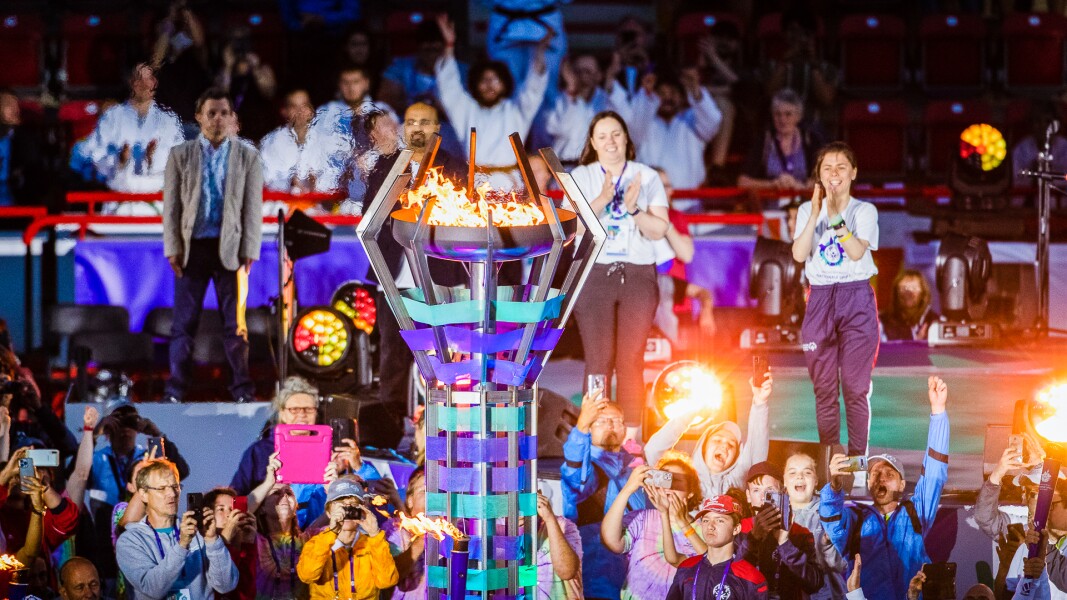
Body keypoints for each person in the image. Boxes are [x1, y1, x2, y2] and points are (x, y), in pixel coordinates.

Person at [360, 101, 468, 448]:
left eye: (425, 121)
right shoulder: (387, 167)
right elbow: (368, 218)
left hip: (441, 277)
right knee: (393, 355)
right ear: (404, 128)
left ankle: (445, 430)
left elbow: (465, 219)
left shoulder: (454, 168)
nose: (417, 128)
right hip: (394, 275)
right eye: (411, 122)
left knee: (444, 355)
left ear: (437, 128)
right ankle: (391, 435)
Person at [570, 111, 670, 440]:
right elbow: (574, 227)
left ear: (627, 138)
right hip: (595, 274)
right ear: (592, 143)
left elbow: (659, 230)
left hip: (638, 274)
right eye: (603, 136)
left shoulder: (647, 176)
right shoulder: (581, 175)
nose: (611, 141)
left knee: (630, 361)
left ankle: (630, 440)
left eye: (616, 134)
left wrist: (633, 209)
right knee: (598, 360)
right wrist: (601, 198)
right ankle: (594, 434)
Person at [162, 88, 263, 404]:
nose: (217, 119)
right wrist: (171, 247)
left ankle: (242, 389)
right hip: (192, 247)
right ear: (198, 117)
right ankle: (176, 389)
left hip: (230, 248)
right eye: (211, 113)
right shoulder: (180, 155)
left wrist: (250, 249)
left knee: (236, 326)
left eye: (224, 113)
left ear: (233, 117)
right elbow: (171, 206)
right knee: (183, 325)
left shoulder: (248, 156)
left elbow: (253, 207)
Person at [820, 376, 951, 600]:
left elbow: (934, 475)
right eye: (875, 474)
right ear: (869, 483)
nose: (881, 478)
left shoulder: (914, 512)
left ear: (902, 484)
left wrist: (938, 412)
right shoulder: (855, 519)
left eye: (889, 474)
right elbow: (831, 522)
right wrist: (834, 484)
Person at [792, 141, 879, 462]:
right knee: (824, 389)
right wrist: (816, 213)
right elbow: (799, 254)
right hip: (820, 298)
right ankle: (832, 459)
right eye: (827, 168)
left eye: (841, 167)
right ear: (818, 175)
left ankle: (857, 460)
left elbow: (857, 251)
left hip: (855, 297)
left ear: (853, 172)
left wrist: (835, 218)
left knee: (855, 388)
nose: (834, 173)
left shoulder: (864, 211)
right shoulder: (806, 210)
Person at [230, 376, 380, 529]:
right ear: (282, 413)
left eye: (308, 409)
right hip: (270, 536)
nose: (302, 414)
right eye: (294, 409)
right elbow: (236, 500)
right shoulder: (260, 452)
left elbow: (373, 498)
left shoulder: (332, 448)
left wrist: (357, 466)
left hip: (322, 534)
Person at [434, 15, 549, 190]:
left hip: (511, 185)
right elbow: (449, 88)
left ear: (505, 84)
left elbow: (534, 88)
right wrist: (449, 46)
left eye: (495, 80)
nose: (489, 85)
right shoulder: (467, 110)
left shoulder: (516, 111)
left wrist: (540, 51)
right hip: (475, 184)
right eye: (484, 80)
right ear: (475, 85)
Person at [561, 391, 646, 598]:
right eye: (601, 420)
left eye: (616, 420)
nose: (610, 425)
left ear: (625, 427)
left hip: (636, 586)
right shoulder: (590, 470)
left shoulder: (635, 471)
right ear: (589, 428)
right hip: (598, 583)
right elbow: (575, 468)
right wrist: (581, 426)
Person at [115, 459, 239, 600]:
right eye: (162, 488)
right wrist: (182, 545)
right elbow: (152, 588)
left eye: (175, 486)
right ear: (143, 494)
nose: (172, 494)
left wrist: (212, 541)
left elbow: (225, 585)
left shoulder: (198, 532)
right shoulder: (130, 541)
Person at [612, 68, 722, 211]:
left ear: (682, 97)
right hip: (649, 206)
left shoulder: (691, 120)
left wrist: (695, 90)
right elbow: (634, 131)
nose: (667, 99)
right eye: (661, 94)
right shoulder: (645, 123)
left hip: (689, 205)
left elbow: (713, 123)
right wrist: (647, 96)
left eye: (673, 93)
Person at [645, 375, 772, 499]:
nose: (724, 445)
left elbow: (755, 455)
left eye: (731, 445)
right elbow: (653, 450)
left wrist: (760, 402)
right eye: (717, 440)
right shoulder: (680, 479)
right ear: (703, 448)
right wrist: (691, 414)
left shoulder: (736, 483)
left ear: (735, 458)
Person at [601, 453, 704, 599]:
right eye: (665, 479)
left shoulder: (703, 529)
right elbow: (611, 542)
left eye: (676, 481)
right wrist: (628, 489)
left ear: (690, 492)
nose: (668, 487)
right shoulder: (642, 518)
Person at [976, 436, 1067, 596]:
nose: (1037, 502)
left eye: (1044, 494)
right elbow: (985, 519)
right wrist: (997, 475)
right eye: (1032, 493)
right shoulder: (1022, 531)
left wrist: (1043, 548)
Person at [85, 63, 185, 199]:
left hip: (157, 201)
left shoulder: (169, 121)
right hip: (117, 200)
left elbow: (179, 161)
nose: (144, 84)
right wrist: (120, 160)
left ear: (155, 83)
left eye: (148, 79)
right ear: (131, 82)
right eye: (139, 79)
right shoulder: (111, 117)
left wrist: (151, 159)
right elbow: (95, 155)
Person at [296, 477, 398, 599]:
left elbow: (387, 581)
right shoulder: (317, 543)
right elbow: (307, 575)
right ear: (328, 513)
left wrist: (375, 535)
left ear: (363, 511)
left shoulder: (374, 544)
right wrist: (331, 533)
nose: (347, 511)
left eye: (353, 506)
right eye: (342, 506)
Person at [737, 462, 824, 599]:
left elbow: (814, 584)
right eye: (756, 490)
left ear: (783, 493)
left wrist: (785, 544)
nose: (762, 498)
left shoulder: (800, 533)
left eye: (769, 492)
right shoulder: (738, 529)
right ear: (748, 496)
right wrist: (753, 538)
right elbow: (729, 578)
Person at [665, 495, 769, 599]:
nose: (710, 526)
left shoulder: (751, 578)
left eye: (719, 520)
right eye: (706, 520)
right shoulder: (686, 568)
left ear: (736, 529)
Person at [761, 8, 840, 140]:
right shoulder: (772, 66)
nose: (799, 37)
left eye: (805, 33)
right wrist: (785, 61)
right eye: (793, 31)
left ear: (813, 36)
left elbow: (826, 99)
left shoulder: (826, 68)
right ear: (784, 34)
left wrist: (813, 64)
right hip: (779, 127)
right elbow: (770, 93)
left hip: (813, 127)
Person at [782, 451, 848, 599]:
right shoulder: (774, 515)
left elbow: (841, 565)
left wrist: (827, 546)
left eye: (807, 472)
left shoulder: (830, 513)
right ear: (784, 481)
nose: (800, 476)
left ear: (816, 480)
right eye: (792, 473)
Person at [259, 89, 343, 198]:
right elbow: (265, 180)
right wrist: (290, 181)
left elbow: (338, 178)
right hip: (283, 205)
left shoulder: (328, 139)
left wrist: (316, 181)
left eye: (305, 106)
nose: (300, 112)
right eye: (294, 107)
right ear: (284, 111)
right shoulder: (270, 142)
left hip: (320, 207)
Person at [738, 89, 824, 193]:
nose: (782, 120)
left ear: (798, 116)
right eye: (778, 114)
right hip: (770, 206)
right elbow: (742, 182)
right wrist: (772, 184)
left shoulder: (810, 140)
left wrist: (802, 185)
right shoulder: (764, 140)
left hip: (803, 205)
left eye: (788, 114)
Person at [545, 54, 624, 166]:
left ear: (599, 75)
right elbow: (558, 129)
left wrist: (610, 78)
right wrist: (572, 92)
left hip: (599, 169)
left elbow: (624, 126)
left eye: (588, 71)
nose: (583, 75)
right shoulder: (561, 99)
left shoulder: (608, 100)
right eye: (578, 71)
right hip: (565, 169)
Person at [150, 0, 212, 139]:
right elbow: (155, 62)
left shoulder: (194, 57)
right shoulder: (159, 59)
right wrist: (171, 18)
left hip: (193, 126)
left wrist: (185, 10)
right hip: (165, 129)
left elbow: (200, 42)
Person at [217, 27, 278, 143]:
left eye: (243, 42)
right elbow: (218, 99)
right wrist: (228, 67)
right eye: (235, 42)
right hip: (231, 137)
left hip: (259, 135)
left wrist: (255, 68)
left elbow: (269, 92)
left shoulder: (262, 69)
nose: (239, 46)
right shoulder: (225, 72)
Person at [0, 88, 47, 206]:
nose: (15, 109)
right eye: (8, 104)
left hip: (19, 200)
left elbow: (34, 166)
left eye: (16, 104)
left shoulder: (26, 136)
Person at [880, 269, 940, 342]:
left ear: (923, 293)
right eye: (903, 288)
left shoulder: (935, 322)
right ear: (896, 293)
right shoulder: (883, 322)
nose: (908, 293)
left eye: (914, 288)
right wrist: (914, 344)